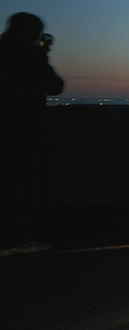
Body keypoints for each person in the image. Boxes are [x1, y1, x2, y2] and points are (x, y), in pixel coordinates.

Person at [0, 13, 64, 255]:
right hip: (24, 127)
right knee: (22, 184)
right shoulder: (29, 54)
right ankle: (17, 238)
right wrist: (42, 52)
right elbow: (54, 86)